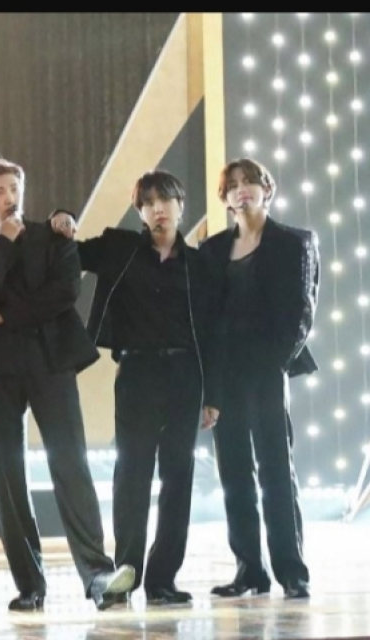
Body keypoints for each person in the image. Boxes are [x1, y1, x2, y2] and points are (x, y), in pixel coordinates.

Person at [0, 157, 134, 612]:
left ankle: (98, 576)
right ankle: (29, 584)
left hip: (51, 362)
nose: (9, 197)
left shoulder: (55, 237)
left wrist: (4, 315)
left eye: (14, 188)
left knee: (71, 464)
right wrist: (4, 246)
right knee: (8, 476)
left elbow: (64, 294)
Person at [50, 170, 221, 604]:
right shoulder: (120, 248)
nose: (158, 209)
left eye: (166, 200)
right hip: (137, 372)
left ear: (181, 206)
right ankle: (126, 572)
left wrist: (212, 396)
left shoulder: (200, 264)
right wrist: (62, 218)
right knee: (132, 472)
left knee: (178, 474)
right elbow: (70, 251)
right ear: (139, 211)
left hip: (186, 375)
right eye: (148, 203)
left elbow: (211, 331)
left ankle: (163, 579)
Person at [199, 158, 318, 600]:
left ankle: (292, 570)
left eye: (249, 181)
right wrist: (210, 385)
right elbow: (207, 319)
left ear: (267, 189)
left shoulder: (294, 242)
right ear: (225, 198)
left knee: (276, 471)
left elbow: (302, 313)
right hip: (225, 373)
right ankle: (249, 570)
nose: (241, 189)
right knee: (234, 475)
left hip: (268, 369)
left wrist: (274, 365)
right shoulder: (212, 249)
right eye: (232, 185)